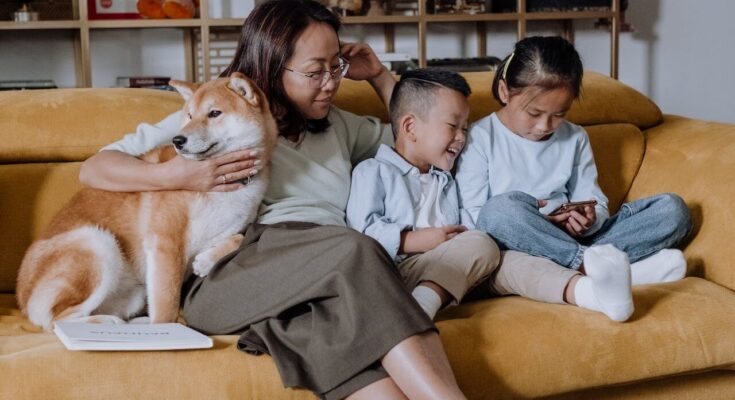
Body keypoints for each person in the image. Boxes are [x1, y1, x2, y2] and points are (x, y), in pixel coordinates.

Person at [79, 1, 467, 399]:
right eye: (316, 71)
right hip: (234, 272)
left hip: (322, 281)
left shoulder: (338, 127)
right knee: (358, 250)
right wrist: (173, 174)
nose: (330, 83)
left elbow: (419, 139)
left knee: (341, 338)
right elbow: (94, 168)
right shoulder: (220, 115)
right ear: (270, 65)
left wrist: (381, 77)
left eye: (336, 67)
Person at [456, 36, 693, 322]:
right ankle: (597, 267)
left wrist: (590, 218)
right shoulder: (481, 138)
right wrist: (542, 225)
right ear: (505, 91)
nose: (545, 126)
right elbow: (477, 219)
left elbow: (596, 200)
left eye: (559, 114)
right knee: (500, 210)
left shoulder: (575, 137)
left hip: (572, 240)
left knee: (673, 209)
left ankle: (593, 266)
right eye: (534, 113)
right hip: (517, 246)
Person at [346, 69, 500, 320]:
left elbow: (465, 226)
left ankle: (578, 288)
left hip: (451, 262)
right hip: (400, 270)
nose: (461, 137)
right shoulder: (372, 171)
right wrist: (419, 240)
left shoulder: (446, 179)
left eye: (465, 128)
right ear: (410, 127)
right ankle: (421, 306)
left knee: (505, 258)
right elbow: (362, 235)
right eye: (453, 126)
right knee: (482, 244)